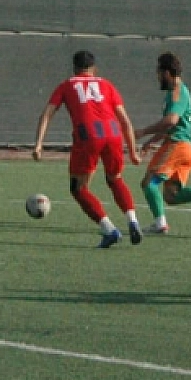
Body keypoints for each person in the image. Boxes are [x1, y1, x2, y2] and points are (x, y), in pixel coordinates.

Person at [33, 50, 143, 248]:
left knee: (79, 189)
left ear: (74, 68)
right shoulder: (106, 84)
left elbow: (47, 114)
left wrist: (39, 144)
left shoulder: (67, 85)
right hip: (113, 133)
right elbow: (125, 120)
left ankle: (110, 230)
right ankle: (133, 221)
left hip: (88, 135)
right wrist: (133, 151)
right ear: (94, 69)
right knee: (115, 179)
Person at [136, 53, 191, 236]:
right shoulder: (178, 91)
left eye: (159, 72)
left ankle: (160, 224)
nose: (158, 76)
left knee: (149, 183)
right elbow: (173, 124)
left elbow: (171, 120)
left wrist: (143, 132)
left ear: (167, 72)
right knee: (172, 196)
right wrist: (150, 142)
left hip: (176, 145)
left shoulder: (177, 92)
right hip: (186, 148)